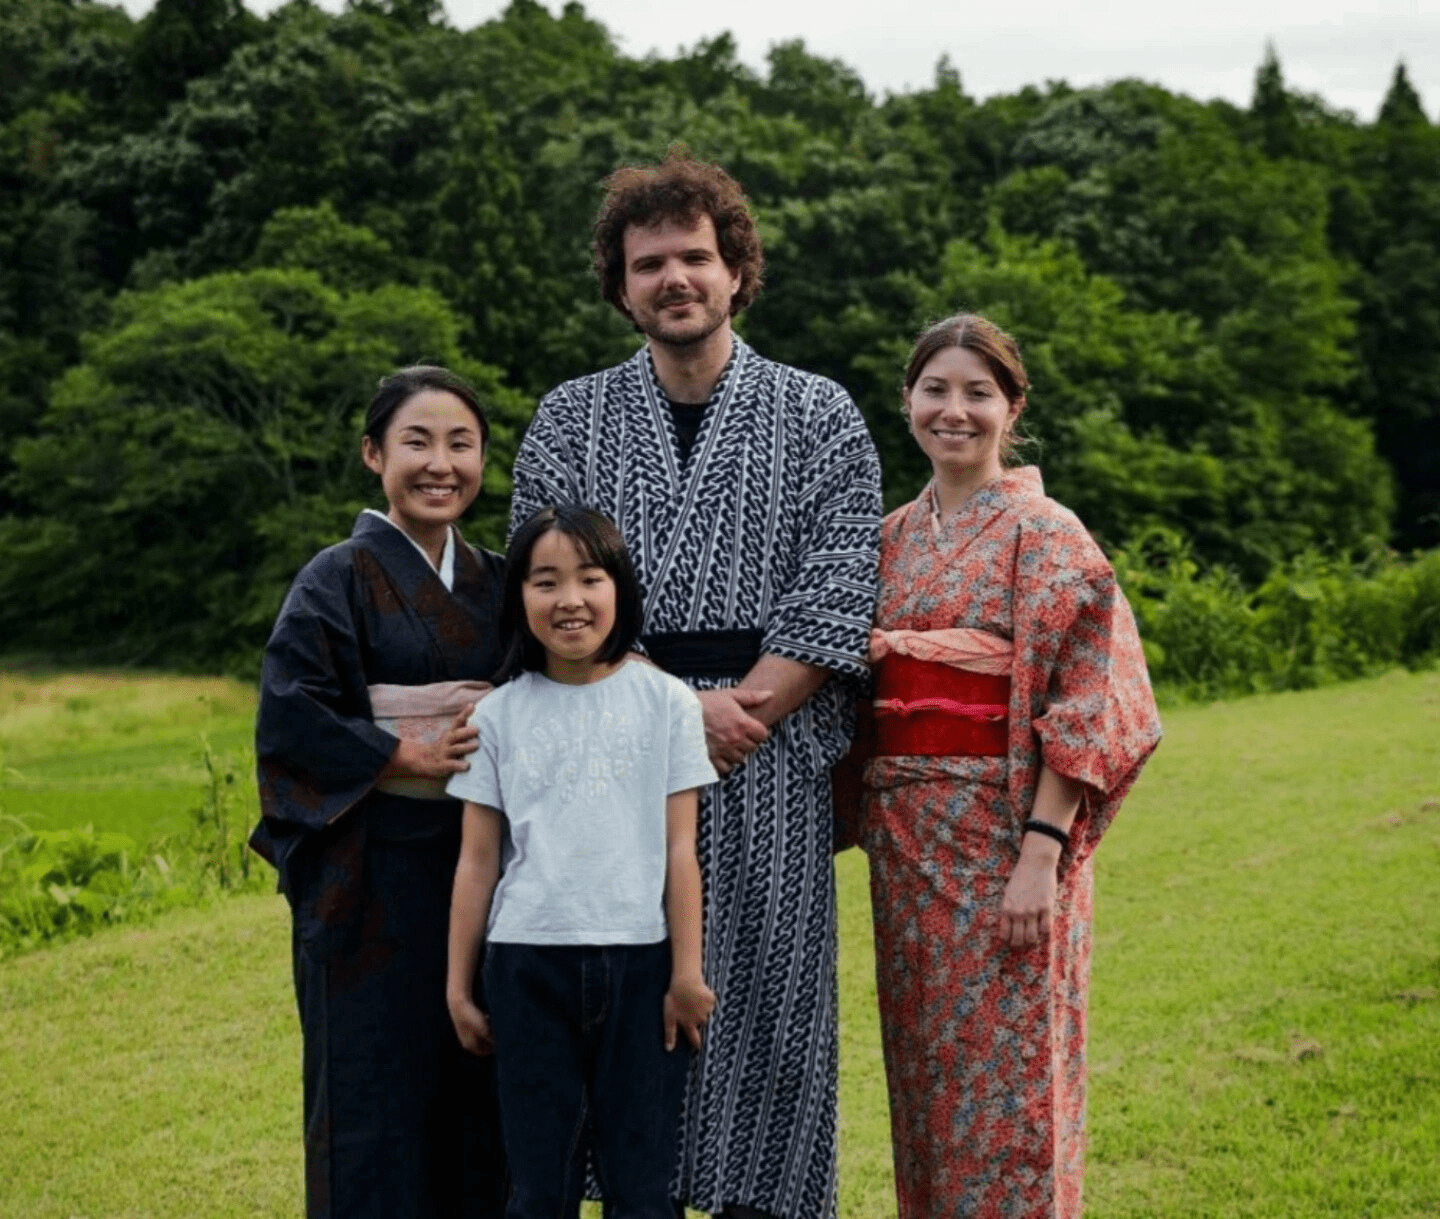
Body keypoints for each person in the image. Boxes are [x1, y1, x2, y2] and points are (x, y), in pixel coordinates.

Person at [509, 153, 882, 1219]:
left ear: (735, 271)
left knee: (769, 1011)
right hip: (609, 749)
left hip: (767, 748)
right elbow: (542, 590)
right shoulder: (569, 419)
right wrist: (674, 710)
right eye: (649, 263)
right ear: (622, 287)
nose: (674, 278)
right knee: (621, 1001)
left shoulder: (819, 413)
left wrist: (736, 712)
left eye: (694, 257)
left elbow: (836, 589)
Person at [842, 313, 1162, 1219]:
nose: (954, 410)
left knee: (1018, 1081)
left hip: (1009, 838)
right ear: (907, 400)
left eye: (977, 392)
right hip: (907, 846)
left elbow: (1092, 698)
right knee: (927, 1077)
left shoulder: (1047, 533)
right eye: (935, 390)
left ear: (1011, 407)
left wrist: (1041, 851)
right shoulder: (890, 537)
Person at [249, 365, 508, 1219]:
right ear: (373, 453)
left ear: (482, 459)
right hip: (366, 874)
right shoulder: (336, 577)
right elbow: (290, 714)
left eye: (461, 444)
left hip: (482, 865)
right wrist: (404, 750)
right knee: (369, 1098)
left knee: (480, 1095)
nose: (441, 463)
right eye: (416, 442)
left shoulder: (502, 581)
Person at [445, 504, 719, 1219]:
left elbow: (681, 849)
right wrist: (457, 986)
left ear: (619, 589)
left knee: (642, 1187)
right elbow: (477, 860)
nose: (570, 599)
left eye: (590, 578)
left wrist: (686, 973)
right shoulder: (496, 715)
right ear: (519, 599)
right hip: (526, 965)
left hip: (643, 968)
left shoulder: (668, 703)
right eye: (546, 582)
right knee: (541, 1186)